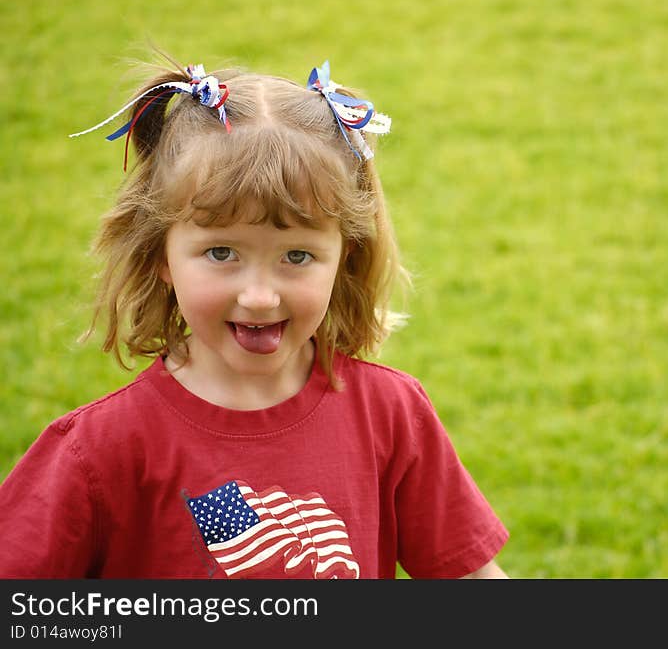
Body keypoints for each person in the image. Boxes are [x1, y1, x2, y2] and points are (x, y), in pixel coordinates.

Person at [0, 54, 509, 579]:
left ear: (345, 259)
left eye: (297, 256)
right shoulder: (103, 449)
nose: (261, 296)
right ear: (161, 257)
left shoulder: (390, 414)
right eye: (222, 253)